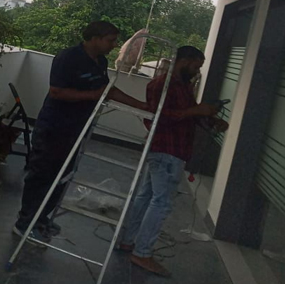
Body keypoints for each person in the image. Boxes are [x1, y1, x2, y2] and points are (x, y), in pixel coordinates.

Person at [13, 21, 148, 243]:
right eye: (110, 40)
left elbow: (107, 90)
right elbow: (57, 92)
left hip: (76, 129)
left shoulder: (100, 62)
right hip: (54, 127)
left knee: (62, 176)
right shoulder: (68, 57)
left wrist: (141, 106)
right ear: (94, 38)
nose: (114, 45)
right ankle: (24, 223)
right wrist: (92, 95)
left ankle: (41, 218)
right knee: (42, 175)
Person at [120, 46, 228, 277]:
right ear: (185, 61)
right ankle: (142, 252)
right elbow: (158, 118)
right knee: (161, 202)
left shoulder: (183, 86)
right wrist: (197, 111)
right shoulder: (161, 85)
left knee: (147, 196)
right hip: (166, 150)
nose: (197, 71)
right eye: (196, 66)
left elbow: (188, 113)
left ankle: (128, 241)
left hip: (172, 149)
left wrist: (210, 119)